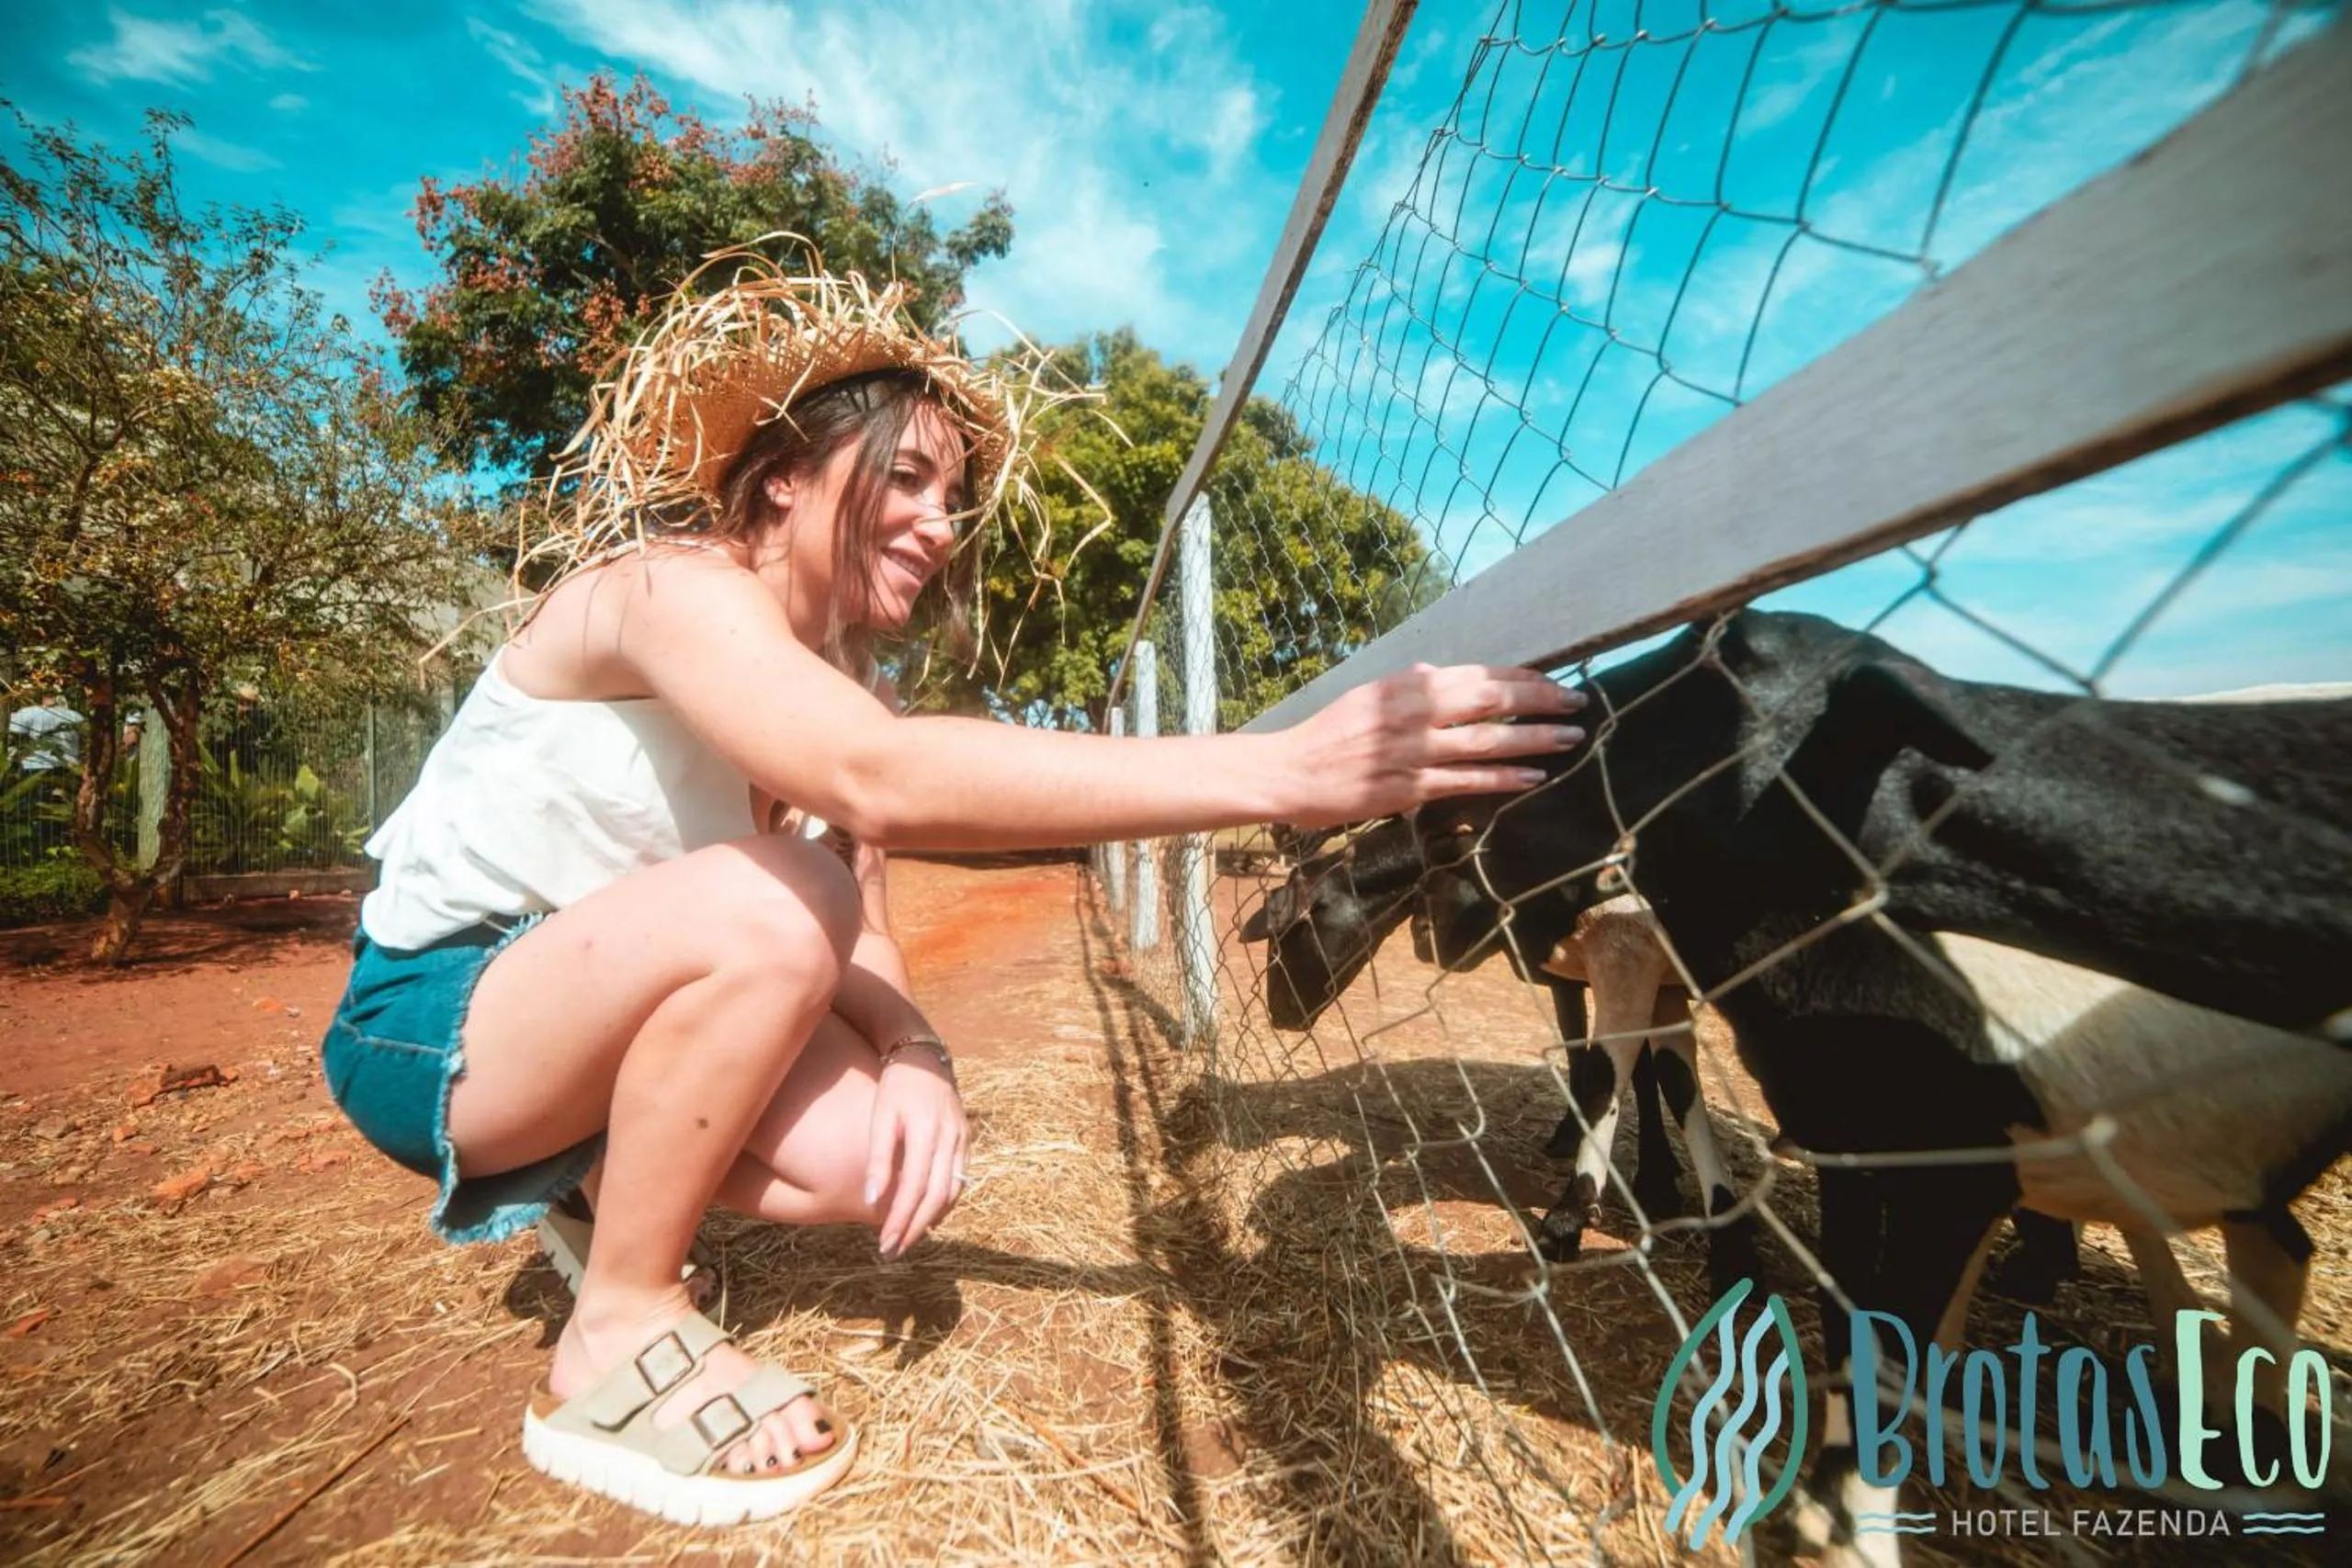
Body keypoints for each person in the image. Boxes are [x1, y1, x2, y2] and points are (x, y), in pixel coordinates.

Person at [318, 253, 1586, 1526]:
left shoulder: (836, 686)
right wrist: (1285, 770)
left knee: (878, 1155)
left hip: (582, 1020)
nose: (941, 522)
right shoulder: (667, 589)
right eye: (909, 478)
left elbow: (864, 916)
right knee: (780, 892)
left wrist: (918, 1050)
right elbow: (870, 786)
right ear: (784, 480)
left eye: (954, 495)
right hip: (436, 1027)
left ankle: (601, 1180)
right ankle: (619, 1325)